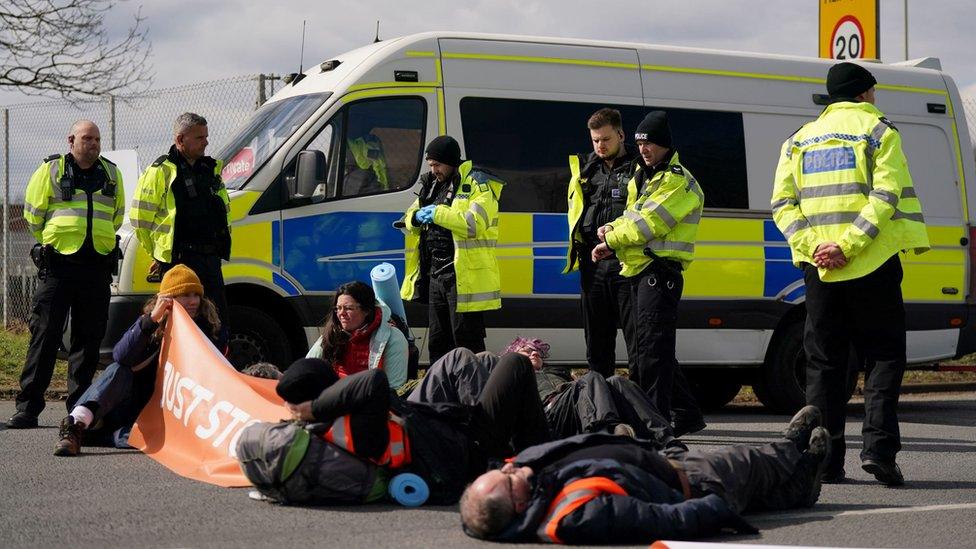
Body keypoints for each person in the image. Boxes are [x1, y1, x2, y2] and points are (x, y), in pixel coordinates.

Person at [770, 62, 930, 486]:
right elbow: (886, 194)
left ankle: (825, 459)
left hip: (819, 272)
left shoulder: (798, 140)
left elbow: (783, 205)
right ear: (863, 93)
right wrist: (848, 245)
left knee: (823, 363)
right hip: (871, 263)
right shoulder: (879, 131)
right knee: (883, 355)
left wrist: (815, 249)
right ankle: (878, 452)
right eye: (874, 91)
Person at [459, 406, 831, 544]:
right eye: (507, 479)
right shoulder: (574, 516)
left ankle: (799, 487)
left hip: (660, 461)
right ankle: (789, 450)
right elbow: (660, 520)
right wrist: (714, 510)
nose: (509, 467)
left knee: (757, 491)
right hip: (690, 483)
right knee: (749, 461)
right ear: (519, 503)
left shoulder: (531, 479)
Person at [277, 352, 551, 503]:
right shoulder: (353, 424)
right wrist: (315, 408)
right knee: (516, 363)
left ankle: (515, 436)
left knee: (478, 359)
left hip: (437, 436)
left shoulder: (338, 419)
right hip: (466, 451)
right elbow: (374, 380)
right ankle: (539, 463)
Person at [591, 111, 706, 432]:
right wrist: (612, 233)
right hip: (639, 270)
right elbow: (631, 216)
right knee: (648, 350)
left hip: (660, 272)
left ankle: (652, 424)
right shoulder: (646, 177)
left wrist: (611, 237)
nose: (644, 149)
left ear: (666, 145)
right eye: (641, 143)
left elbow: (648, 224)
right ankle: (687, 414)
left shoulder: (677, 180)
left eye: (651, 144)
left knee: (652, 353)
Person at [6, 120, 125, 429]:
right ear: (71, 140)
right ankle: (28, 408)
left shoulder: (112, 173)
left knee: (88, 340)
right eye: (87, 138)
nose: (94, 144)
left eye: (97, 139)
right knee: (45, 336)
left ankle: (79, 410)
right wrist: (56, 239)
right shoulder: (51, 171)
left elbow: (117, 215)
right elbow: (33, 215)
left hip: (96, 264)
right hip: (58, 265)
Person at [53, 265, 227, 456]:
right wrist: (151, 321)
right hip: (132, 401)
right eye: (185, 295)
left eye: (196, 294)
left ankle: (113, 434)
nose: (193, 301)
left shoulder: (209, 327)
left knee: (144, 437)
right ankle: (75, 425)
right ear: (167, 299)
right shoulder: (150, 322)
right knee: (118, 370)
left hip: (171, 406)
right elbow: (121, 356)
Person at [409, 337, 677, 445]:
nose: (534, 353)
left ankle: (668, 440)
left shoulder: (558, 372)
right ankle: (605, 433)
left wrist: (574, 383)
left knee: (618, 382)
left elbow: (585, 390)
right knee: (593, 376)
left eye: (537, 352)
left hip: (571, 406)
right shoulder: (504, 372)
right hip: (543, 413)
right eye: (526, 350)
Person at [399, 135, 505, 364]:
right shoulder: (431, 184)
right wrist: (415, 219)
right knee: (438, 342)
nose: (434, 169)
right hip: (436, 274)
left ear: (450, 162)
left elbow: (474, 223)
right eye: (431, 165)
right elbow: (407, 218)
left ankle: (474, 394)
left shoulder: (478, 184)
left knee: (466, 342)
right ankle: (439, 393)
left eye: (437, 165)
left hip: (463, 276)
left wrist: (437, 213)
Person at [564, 108, 643, 378]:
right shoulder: (586, 169)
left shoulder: (639, 167)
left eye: (606, 139)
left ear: (621, 135)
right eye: (595, 140)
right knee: (596, 344)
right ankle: (600, 405)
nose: (600, 145)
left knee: (638, 344)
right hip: (593, 265)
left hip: (626, 264)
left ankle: (639, 406)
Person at [130, 112, 231, 322]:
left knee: (216, 321)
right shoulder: (160, 171)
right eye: (200, 137)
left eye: (206, 136)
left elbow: (223, 212)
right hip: (179, 261)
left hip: (210, 260)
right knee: (179, 321)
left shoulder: (210, 170)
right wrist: (158, 254)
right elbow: (140, 220)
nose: (206, 142)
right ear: (180, 140)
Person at [305, 281, 408, 390]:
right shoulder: (332, 334)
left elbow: (394, 389)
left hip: (371, 402)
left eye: (348, 308)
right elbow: (306, 369)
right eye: (338, 308)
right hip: (332, 399)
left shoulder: (393, 337)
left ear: (367, 311)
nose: (341, 313)